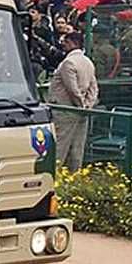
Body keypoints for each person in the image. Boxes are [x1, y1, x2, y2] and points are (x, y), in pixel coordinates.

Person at [46, 30, 99, 171]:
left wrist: (80, 105)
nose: (63, 44)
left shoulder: (68, 62)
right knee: (77, 148)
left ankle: (55, 175)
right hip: (82, 111)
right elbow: (94, 88)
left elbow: (72, 89)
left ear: (74, 43)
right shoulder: (88, 62)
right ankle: (74, 176)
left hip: (65, 110)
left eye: (66, 42)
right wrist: (87, 106)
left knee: (60, 147)